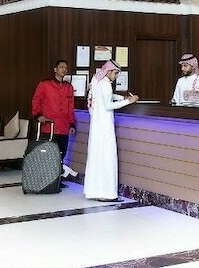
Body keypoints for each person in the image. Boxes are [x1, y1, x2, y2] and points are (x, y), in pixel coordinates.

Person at [83, 60, 137, 201]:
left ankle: (94, 191)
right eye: (116, 73)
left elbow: (106, 96)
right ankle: (106, 193)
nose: (117, 76)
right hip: (105, 127)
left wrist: (121, 97)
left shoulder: (97, 81)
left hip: (96, 126)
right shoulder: (106, 84)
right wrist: (128, 101)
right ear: (109, 71)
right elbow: (108, 105)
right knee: (107, 157)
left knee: (97, 157)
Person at [31, 59, 77, 179]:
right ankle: (46, 180)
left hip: (63, 126)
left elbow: (70, 107)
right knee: (48, 154)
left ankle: (56, 181)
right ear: (55, 69)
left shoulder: (68, 87)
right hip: (49, 126)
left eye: (65, 68)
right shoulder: (45, 84)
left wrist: (72, 123)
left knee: (61, 154)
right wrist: (38, 115)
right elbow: (36, 100)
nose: (64, 69)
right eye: (61, 67)